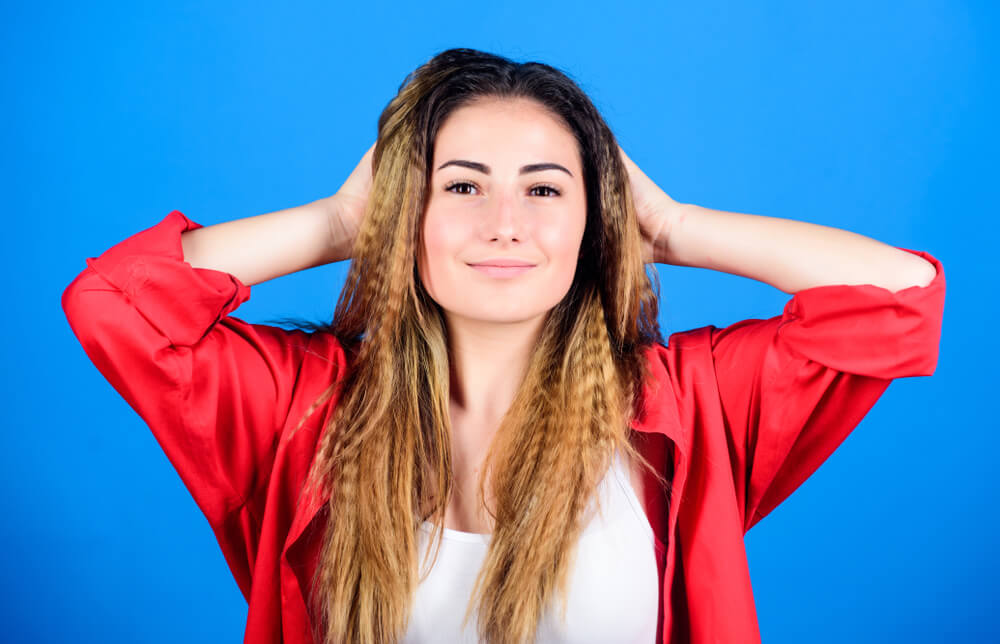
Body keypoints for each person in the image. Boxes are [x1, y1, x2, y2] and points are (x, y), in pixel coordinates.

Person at [61, 47, 946, 644]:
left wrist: (675, 226)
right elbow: (110, 305)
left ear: (595, 219)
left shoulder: (688, 403)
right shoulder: (298, 409)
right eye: (462, 185)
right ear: (408, 210)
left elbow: (901, 300)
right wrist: (339, 222)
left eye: (546, 191)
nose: (505, 225)